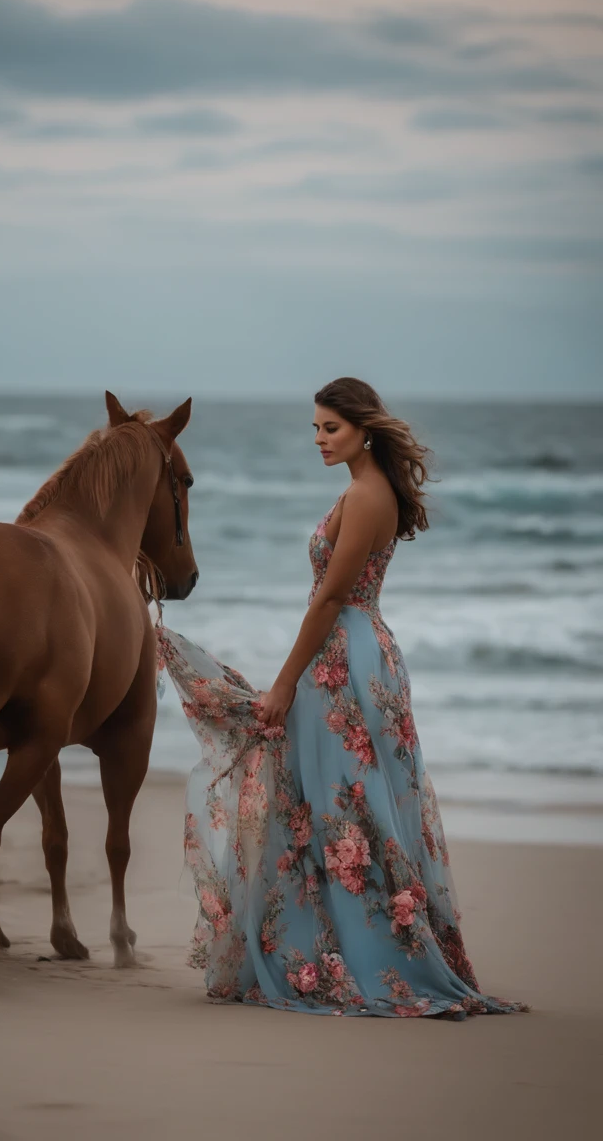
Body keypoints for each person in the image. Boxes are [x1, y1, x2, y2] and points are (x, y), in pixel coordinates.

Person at [156, 377, 529, 1018]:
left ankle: (360, 957)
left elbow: (330, 598)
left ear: (363, 427)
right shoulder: (369, 489)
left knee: (344, 810)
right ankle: (334, 947)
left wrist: (282, 682)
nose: (321, 439)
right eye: (316, 429)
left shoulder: (364, 494)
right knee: (339, 806)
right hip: (361, 651)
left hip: (345, 660)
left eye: (331, 428)